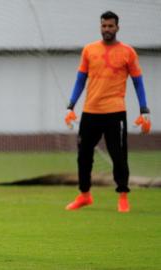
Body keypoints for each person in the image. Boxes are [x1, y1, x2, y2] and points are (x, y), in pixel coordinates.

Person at [64, 11, 151, 213]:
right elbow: (80, 80)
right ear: (100, 27)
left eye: (110, 26)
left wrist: (144, 109)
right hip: (90, 111)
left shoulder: (128, 52)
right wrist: (71, 106)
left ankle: (122, 196)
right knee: (84, 155)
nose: (107, 29)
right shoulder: (89, 50)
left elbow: (138, 83)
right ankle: (84, 195)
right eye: (104, 26)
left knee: (119, 156)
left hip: (115, 112)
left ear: (117, 27)